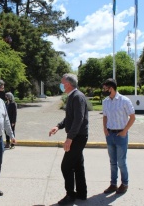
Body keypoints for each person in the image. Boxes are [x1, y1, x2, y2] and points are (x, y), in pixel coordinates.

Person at [48, 73, 89, 205]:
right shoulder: (72, 97)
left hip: (78, 137)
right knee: (78, 165)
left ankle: (70, 195)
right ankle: (82, 194)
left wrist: (69, 138)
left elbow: (78, 120)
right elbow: (69, 118)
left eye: (62, 82)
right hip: (77, 136)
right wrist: (58, 126)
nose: (61, 84)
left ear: (69, 84)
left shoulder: (77, 97)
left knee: (66, 166)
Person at [102, 78, 135, 194]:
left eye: (105, 88)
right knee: (112, 162)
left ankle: (125, 184)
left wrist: (125, 131)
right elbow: (105, 116)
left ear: (111, 88)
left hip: (121, 135)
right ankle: (113, 184)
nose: (104, 90)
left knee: (121, 161)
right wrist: (105, 129)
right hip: (110, 134)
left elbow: (132, 117)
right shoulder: (105, 101)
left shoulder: (124, 100)